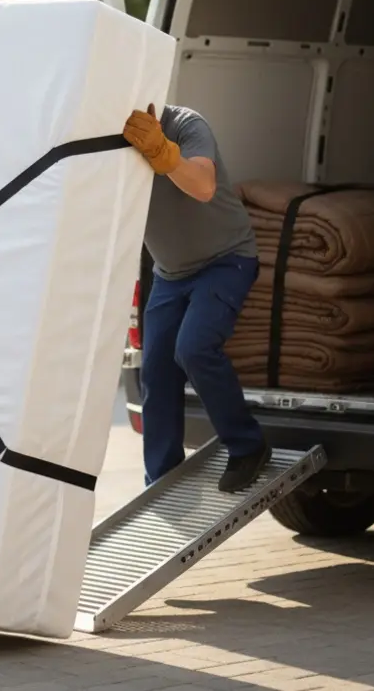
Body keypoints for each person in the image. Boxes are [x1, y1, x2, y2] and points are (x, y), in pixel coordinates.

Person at [122, 104, 269, 493]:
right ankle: (162, 479)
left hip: (226, 260)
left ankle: (247, 447)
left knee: (194, 348)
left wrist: (162, 152)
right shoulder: (112, 140)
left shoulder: (186, 124)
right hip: (170, 274)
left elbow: (203, 187)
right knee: (155, 371)